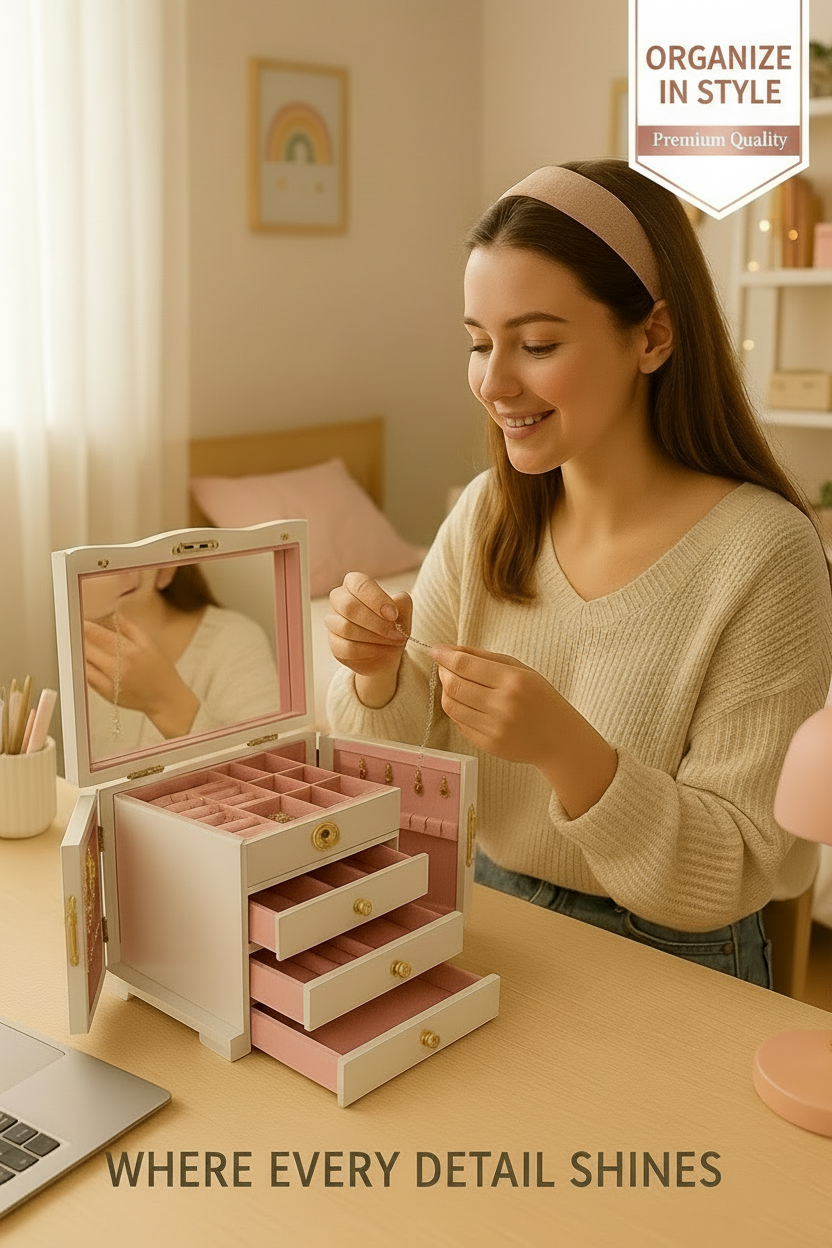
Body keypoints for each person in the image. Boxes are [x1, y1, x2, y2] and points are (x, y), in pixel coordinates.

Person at [325, 159, 832, 986]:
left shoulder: (764, 553)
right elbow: (393, 768)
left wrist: (566, 750)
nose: (494, 382)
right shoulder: (490, 514)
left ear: (653, 336)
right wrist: (377, 675)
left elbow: (735, 867)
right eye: (479, 344)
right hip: (490, 908)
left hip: (677, 956)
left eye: (537, 345)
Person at [82, 562, 280, 760]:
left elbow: (267, 764)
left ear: (165, 570)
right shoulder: (75, 653)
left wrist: (164, 702)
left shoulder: (233, 639)